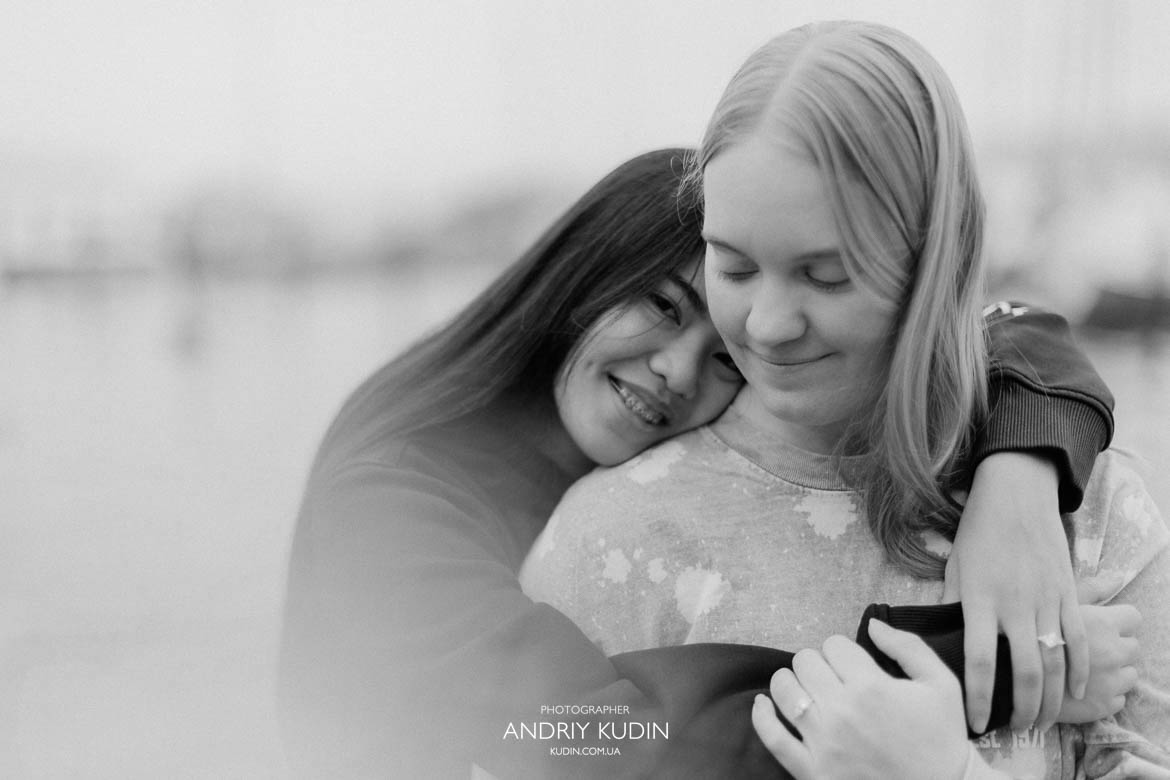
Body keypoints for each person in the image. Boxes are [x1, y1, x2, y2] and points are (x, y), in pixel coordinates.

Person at [279, 147, 1117, 779]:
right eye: (658, 305)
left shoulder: (607, 474)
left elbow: (1004, 325)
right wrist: (993, 664)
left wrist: (1021, 475)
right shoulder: (387, 506)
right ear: (579, 274)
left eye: (724, 356)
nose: (677, 371)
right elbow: (596, 735)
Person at [519, 21, 1169, 778]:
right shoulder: (606, 538)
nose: (767, 325)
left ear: (936, 261)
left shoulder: (1089, 519)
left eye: (825, 276)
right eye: (732, 268)